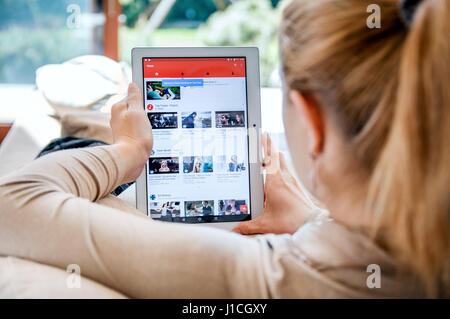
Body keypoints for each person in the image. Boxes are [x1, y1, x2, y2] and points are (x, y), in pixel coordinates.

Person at [0, 0, 448, 299]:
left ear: (310, 122)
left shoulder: (267, 278)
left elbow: (11, 205)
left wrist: (129, 150)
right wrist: (312, 218)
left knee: (74, 136)